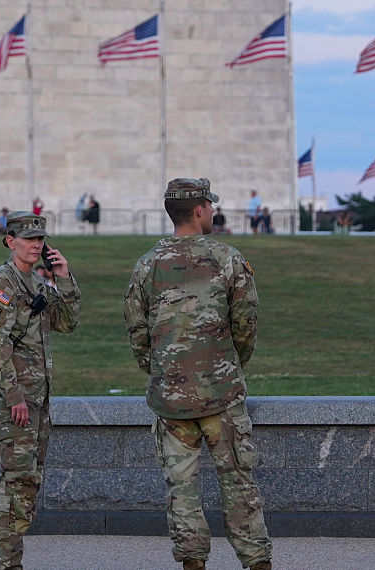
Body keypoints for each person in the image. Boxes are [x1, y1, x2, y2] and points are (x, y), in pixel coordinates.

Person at [124, 178, 272, 570]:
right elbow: (246, 324)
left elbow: (138, 334)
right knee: (239, 485)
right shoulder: (226, 258)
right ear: (202, 209)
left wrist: (163, 370)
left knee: (182, 491)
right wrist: (228, 364)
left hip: (171, 399)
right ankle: (256, 561)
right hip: (221, 393)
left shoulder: (147, 264)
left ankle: (192, 563)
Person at [0, 211, 80, 570]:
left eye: (41, 239)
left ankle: (9, 559)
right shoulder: (1, 285)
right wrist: (15, 396)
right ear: (11, 242)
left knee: (29, 481)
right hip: (15, 402)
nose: (37, 245)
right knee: (16, 480)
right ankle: (3, 563)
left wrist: (63, 278)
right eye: (29, 239)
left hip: (38, 399)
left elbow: (68, 322)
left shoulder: (37, 283)